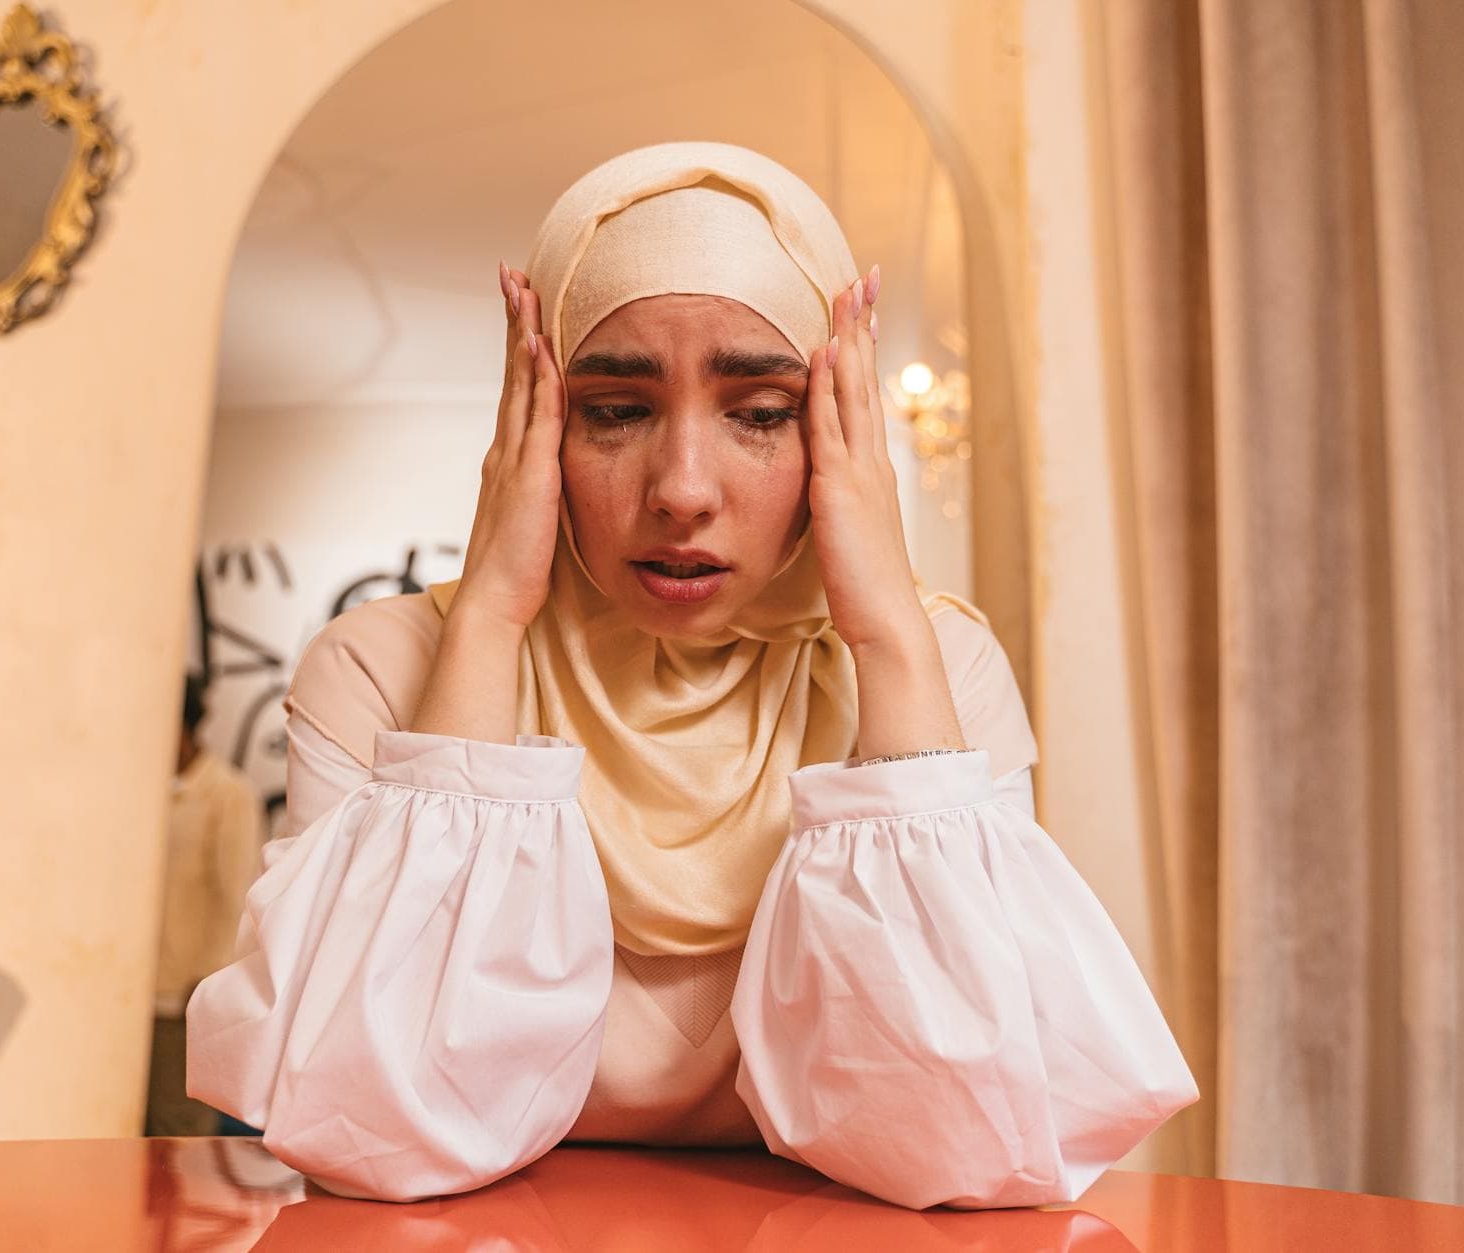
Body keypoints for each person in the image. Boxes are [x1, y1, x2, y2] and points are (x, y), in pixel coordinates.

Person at [187, 143, 1195, 1208]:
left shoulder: (935, 668)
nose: (680, 488)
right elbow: (376, 1132)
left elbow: (974, 1143)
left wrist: (890, 631)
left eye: (761, 412)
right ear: (532, 424)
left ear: (832, 430)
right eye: (613, 410)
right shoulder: (379, 669)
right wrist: (485, 618)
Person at [147, 676, 264, 1137]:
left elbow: (241, 891)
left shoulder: (228, 794)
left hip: (186, 991)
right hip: (138, 991)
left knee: (177, 1132)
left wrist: (212, 977)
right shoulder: (142, 790)